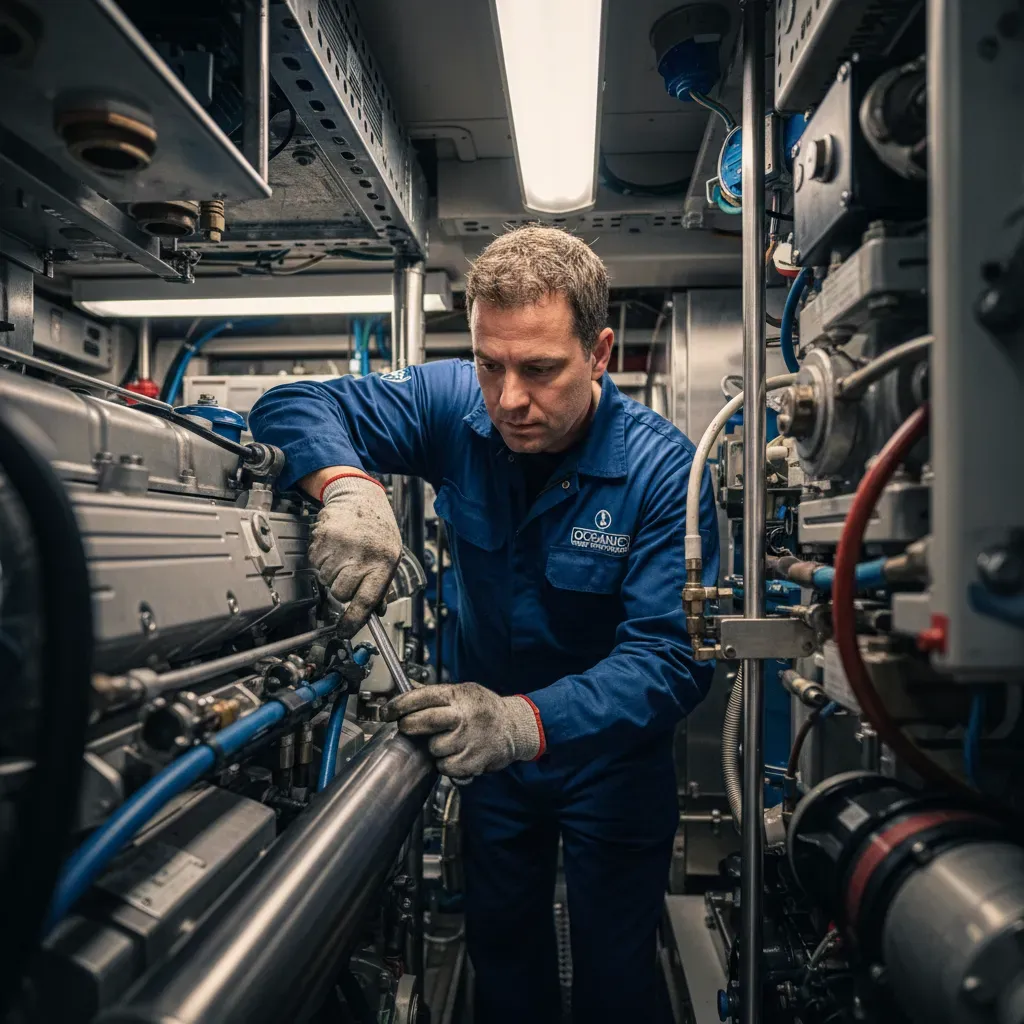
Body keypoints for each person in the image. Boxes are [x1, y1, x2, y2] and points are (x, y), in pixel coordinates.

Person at [248, 225, 719, 1023]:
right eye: (489, 364)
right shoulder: (452, 406)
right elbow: (293, 404)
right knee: (503, 952)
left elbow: (671, 659)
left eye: (540, 370)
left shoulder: (663, 471)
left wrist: (520, 720)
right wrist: (347, 486)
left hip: (610, 758)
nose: (508, 399)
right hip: (493, 760)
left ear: (599, 352)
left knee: (615, 969)